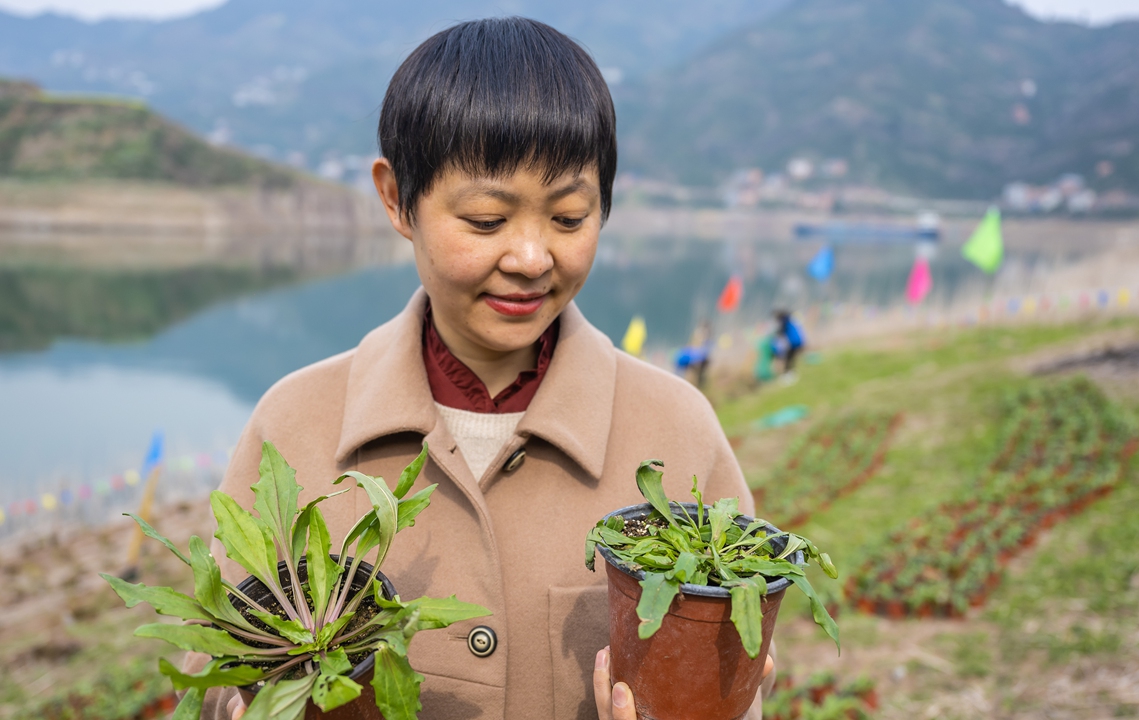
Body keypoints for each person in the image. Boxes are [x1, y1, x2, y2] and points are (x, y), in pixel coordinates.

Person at [186, 17, 773, 720]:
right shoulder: (297, 422)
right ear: (397, 199)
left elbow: (734, 671)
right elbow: (212, 674)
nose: (531, 258)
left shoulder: (677, 429)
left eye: (569, 217)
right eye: (487, 219)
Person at [774, 309, 806, 375]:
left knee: (788, 358)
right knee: (790, 358)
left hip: (793, 343)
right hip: (799, 341)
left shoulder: (784, 321)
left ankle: (788, 373)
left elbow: (780, 331)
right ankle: (790, 372)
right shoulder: (790, 319)